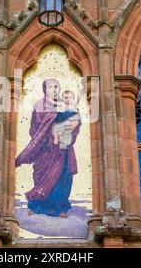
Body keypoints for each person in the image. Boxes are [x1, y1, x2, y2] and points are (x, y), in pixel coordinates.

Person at [15, 79, 81, 218]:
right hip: (44, 147)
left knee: (63, 176)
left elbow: (75, 120)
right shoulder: (39, 104)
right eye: (51, 86)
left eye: (57, 86)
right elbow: (35, 126)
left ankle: (60, 207)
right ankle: (37, 206)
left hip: (63, 149)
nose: (54, 89)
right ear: (45, 88)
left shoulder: (65, 104)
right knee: (41, 174)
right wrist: (49, 125)